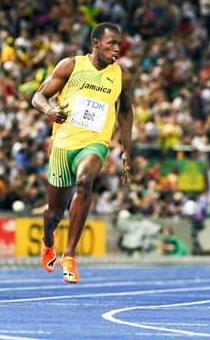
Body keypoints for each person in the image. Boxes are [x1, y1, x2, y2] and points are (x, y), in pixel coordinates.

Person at [31, 22, 133, 283]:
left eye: (119, 44)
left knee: (85, 182)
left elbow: (124, 111)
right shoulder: (71, 66)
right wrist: (49, 110)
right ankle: (48, 241)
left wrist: (126, 152)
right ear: (96, 42)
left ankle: (70, 255)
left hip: (95, 143)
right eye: (111, 43)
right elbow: (38, 97)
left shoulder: (122, 76)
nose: (116, 48)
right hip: (64, 144)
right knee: (53, 213)